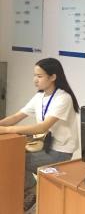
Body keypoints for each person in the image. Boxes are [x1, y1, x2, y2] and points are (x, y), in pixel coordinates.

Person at [0, 58, 79, 212]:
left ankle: (32, 191)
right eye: (34, 75)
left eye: (39, 76)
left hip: (59, 151)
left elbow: (42, 127)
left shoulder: (63, 98)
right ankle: (30, 190)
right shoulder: (40, 96)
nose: (35, 80)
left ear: (53, 77)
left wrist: (6, 130)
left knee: (15, 160)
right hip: (45, 145)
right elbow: (16, 117)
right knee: (12, 154)